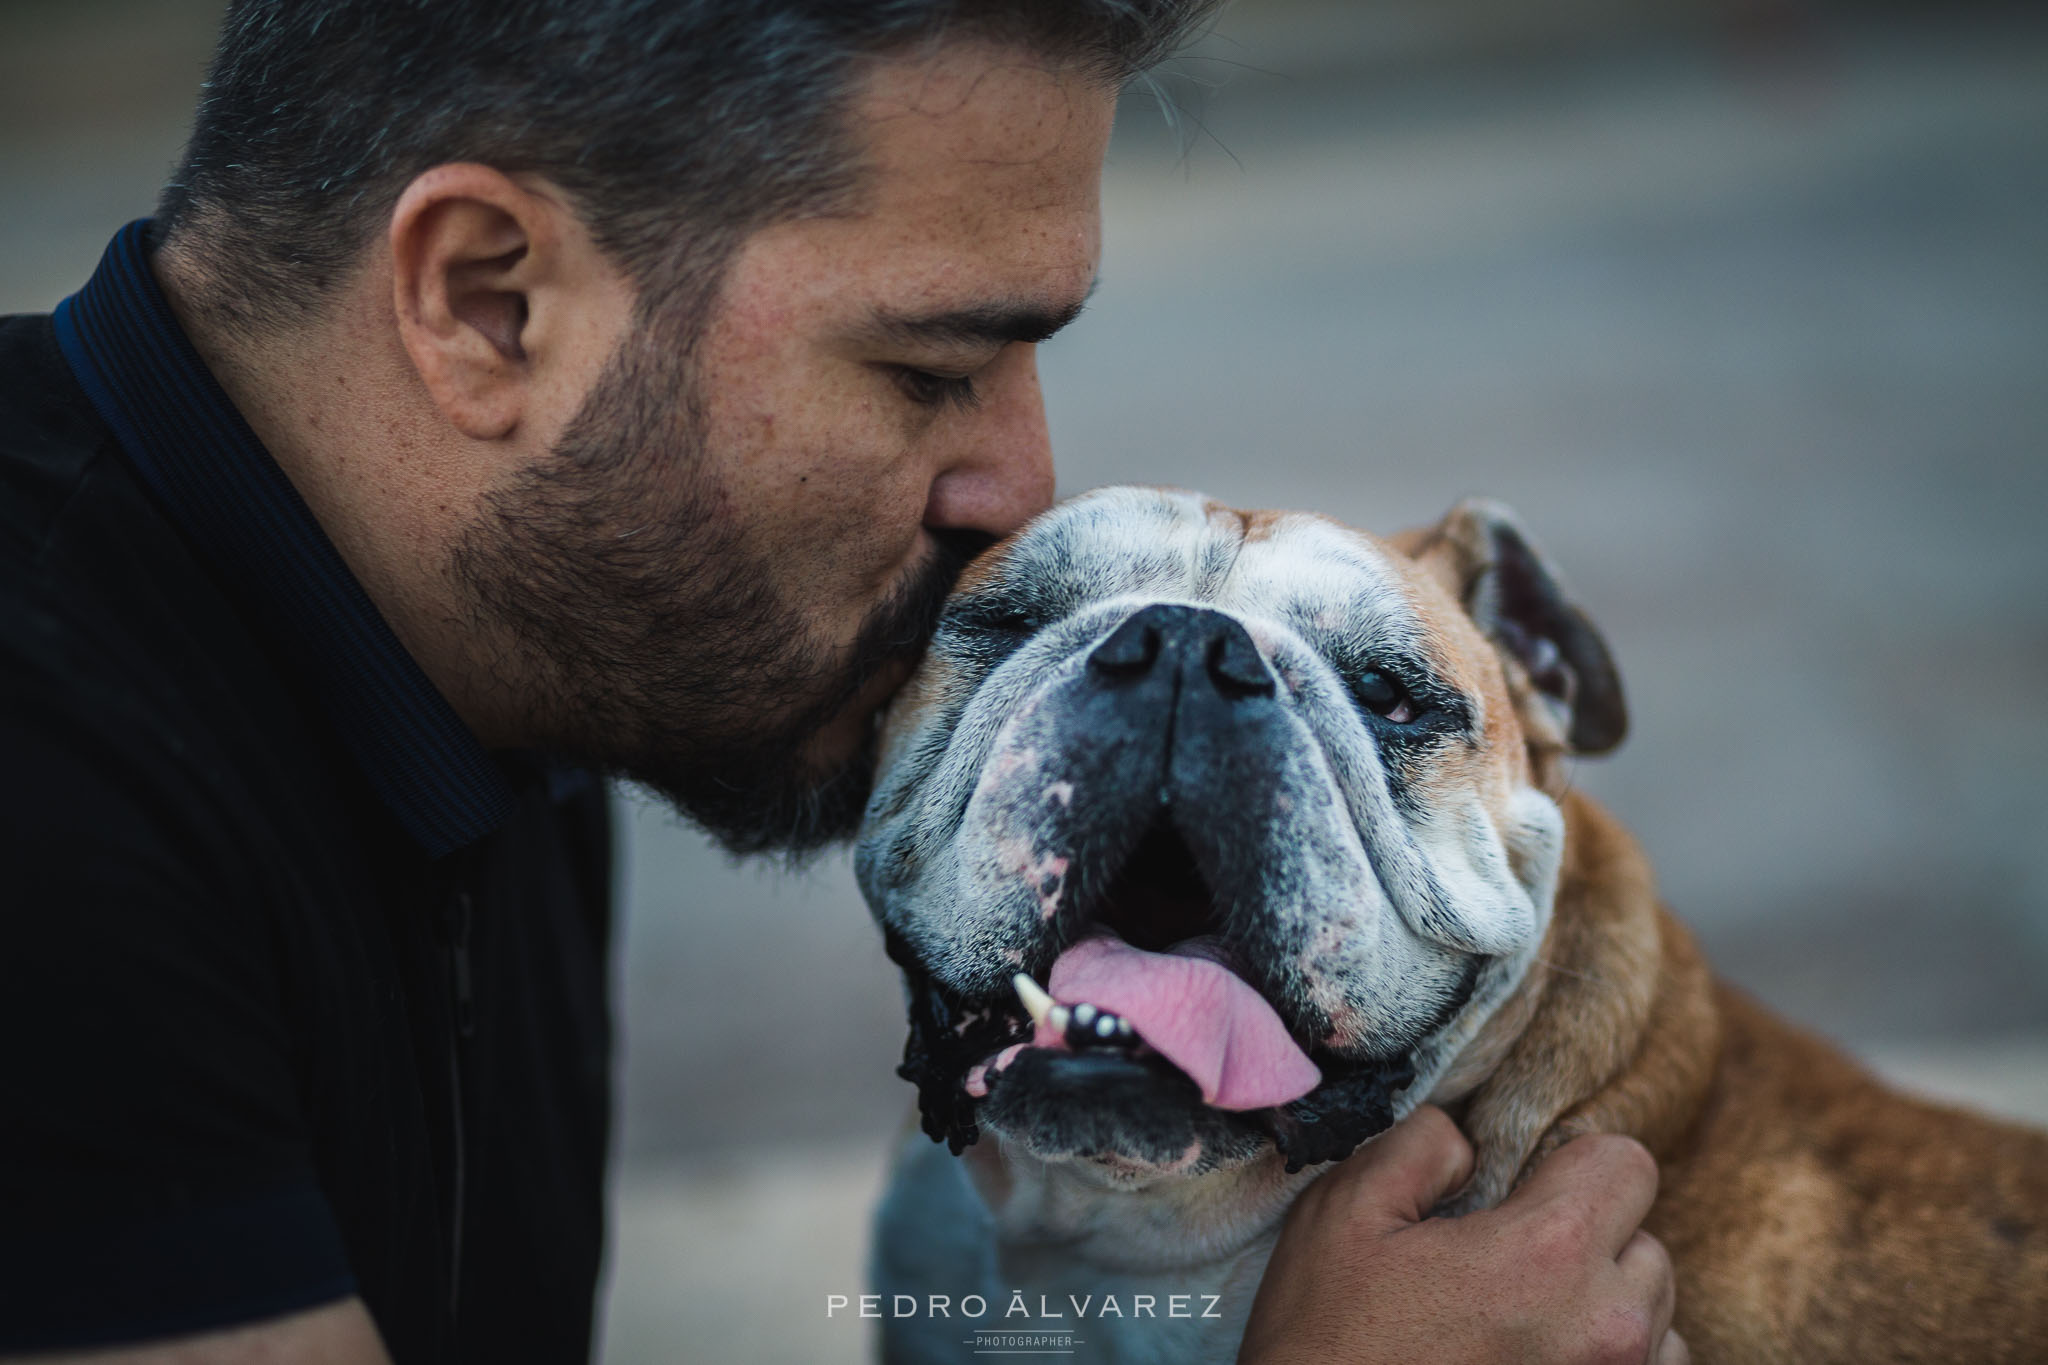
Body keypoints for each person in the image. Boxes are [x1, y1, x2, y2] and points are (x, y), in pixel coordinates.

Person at [0, 3, 1684, 1362]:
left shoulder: (502, 662)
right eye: (930, 368)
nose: (1021, 490)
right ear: (487, 304)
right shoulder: (53, 793)